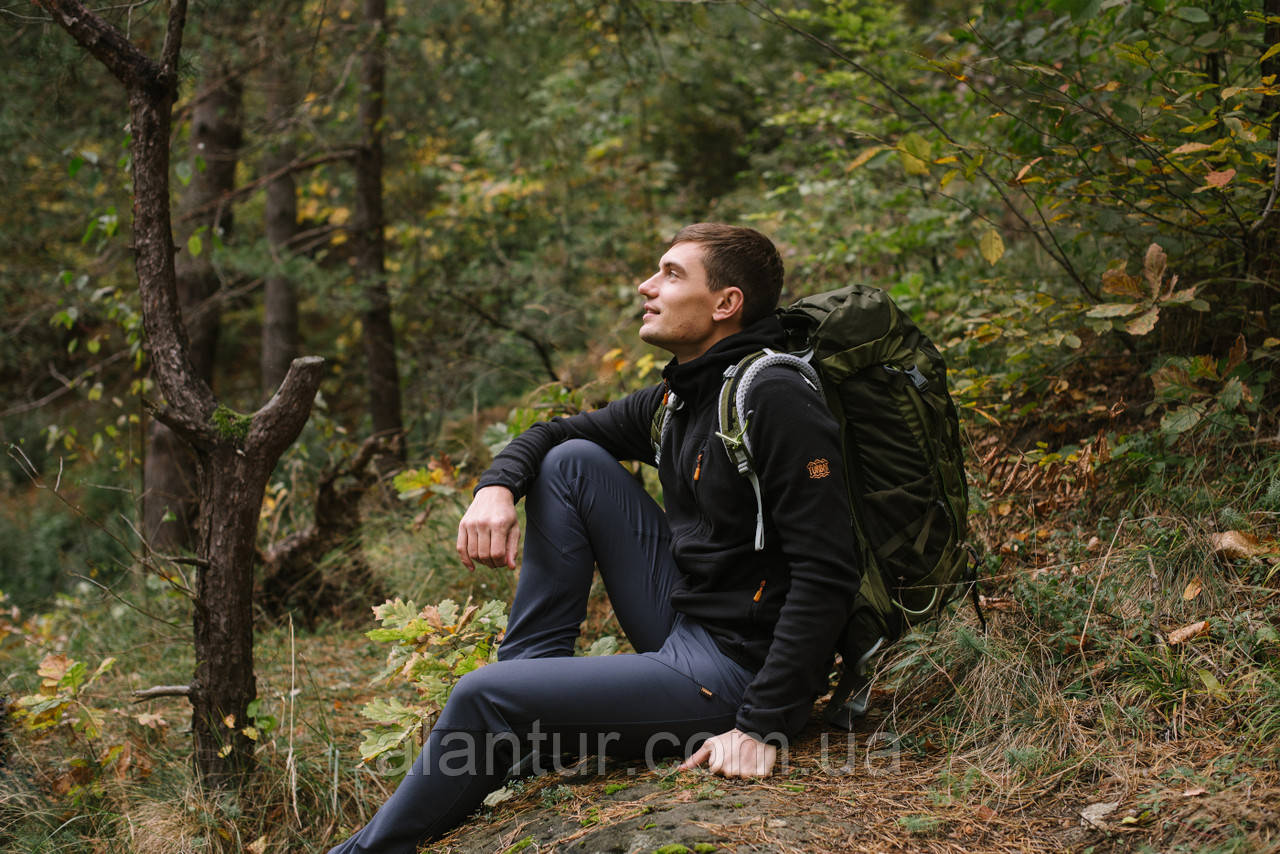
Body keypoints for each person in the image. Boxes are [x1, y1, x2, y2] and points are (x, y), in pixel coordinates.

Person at [328, 223, 862, 854]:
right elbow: (555, 434)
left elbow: (829, 570)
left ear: (726, 304)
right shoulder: (683, 394)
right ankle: (532, 689)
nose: (647, 286)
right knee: (572, 462)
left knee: (482, 694)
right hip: (686, 620)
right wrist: (494, 488)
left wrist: (760, 727)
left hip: (736, 669)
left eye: (670, 273)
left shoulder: (769, 395)